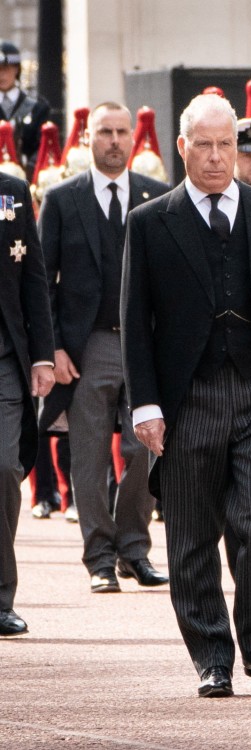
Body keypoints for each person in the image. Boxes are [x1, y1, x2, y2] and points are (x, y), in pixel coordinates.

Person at [122, 94, 251, 698]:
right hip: (187, 396)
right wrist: (144, 406)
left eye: (227, 144)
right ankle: (212, 656)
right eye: (205, 144)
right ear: (182, 148)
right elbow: (135, 318)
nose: (219, 157)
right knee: (192, 533)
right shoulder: (150, 222)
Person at [39, 102, 170, 594]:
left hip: (144, 344)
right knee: (90, 454)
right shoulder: (61, 200)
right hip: (86, 345)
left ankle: (134, 549)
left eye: (121, 132)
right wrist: (54, 347)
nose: (115, 140)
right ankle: (99, 557)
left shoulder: (157, 197)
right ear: (87, 140)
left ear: (132, 138)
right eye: (105, 133)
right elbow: (42, 282)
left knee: (146, 446)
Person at [0, 170, 55, 637]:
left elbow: (33, 277)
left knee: (3, 469)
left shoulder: (12, 192)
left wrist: (41, 355)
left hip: (5, 357)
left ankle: (0, 597)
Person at [0, 41, 50, 175]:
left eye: (6, 68)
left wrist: (29, 169)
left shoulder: (37, 106)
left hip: (26, 176)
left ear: (16, 69)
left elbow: (42, 145)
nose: (2, 74)